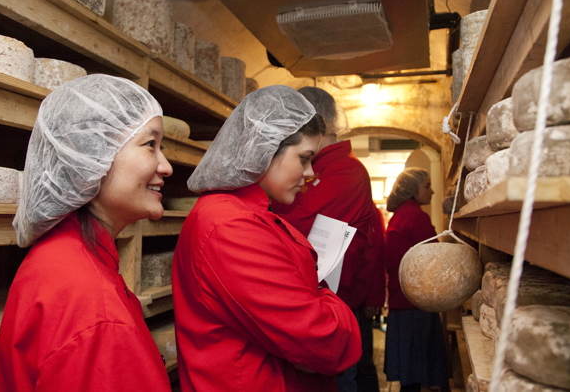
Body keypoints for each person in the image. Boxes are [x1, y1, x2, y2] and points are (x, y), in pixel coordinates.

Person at [172, 85, 362, 392]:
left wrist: (315, 299)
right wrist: (329, 302)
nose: (310, 172)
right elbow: (324, 339)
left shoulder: (248, 212)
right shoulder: (230, 225)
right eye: (304, 158)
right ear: (265, 147)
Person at [0, 74, 173, 391]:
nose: (166, 166)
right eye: (150, 145)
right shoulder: (94, 309)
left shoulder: (61, 254)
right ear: (91, 156)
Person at [271, 86, 385, 392]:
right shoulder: (324, 168)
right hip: (318, 302)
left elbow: (296, 225)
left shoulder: (346, 171)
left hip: (336, 305)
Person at [384, 168, 448, 392]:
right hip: (414, 305)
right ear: (413, 190)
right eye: (427, 186)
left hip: (404, 302)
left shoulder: (401, 215)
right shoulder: (414, 217)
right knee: (414, 375)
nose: (431, 191)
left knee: (410, 376)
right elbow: (434, 258)